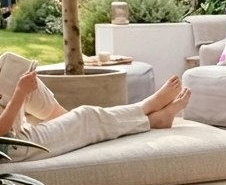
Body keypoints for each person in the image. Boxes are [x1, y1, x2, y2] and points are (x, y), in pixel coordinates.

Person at [0, 51, 191, 162]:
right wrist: (20, 92)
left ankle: (67, 124)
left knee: (10, 64)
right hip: (12, 148)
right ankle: (148, 111)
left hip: (9, 132)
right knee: (86, 116)